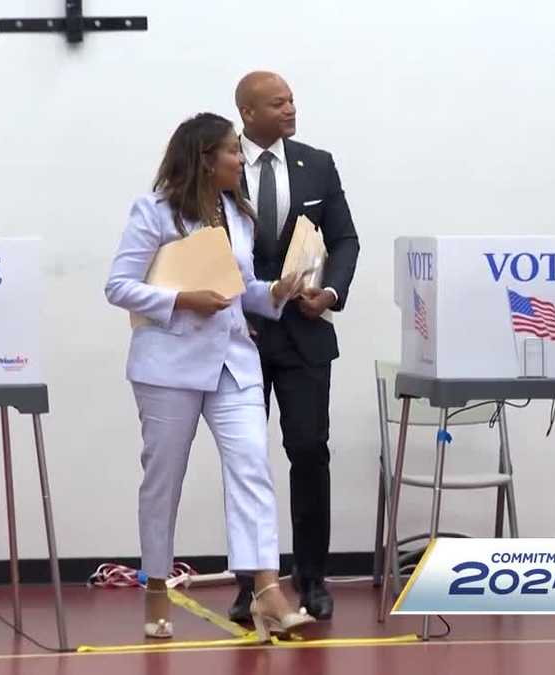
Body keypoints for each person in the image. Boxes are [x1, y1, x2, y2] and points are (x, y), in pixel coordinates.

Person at [104, 112, 312, 642]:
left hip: (233, 362)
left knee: (251, 467)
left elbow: (242, 289)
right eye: (232, 152)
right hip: (167, 365)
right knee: (163, 480)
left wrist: (277, 293)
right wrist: (180, 300)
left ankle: (267, 588)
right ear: (204, 158)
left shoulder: (237, 215)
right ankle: (156, 586)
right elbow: (119, 286)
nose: (242, 160)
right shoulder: (153, 212)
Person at [227, 71, 360, 622]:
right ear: (248, 111)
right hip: (239, 340)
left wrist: (329, 292)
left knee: (308, 452)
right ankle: (252, 584)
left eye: (292, 101)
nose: (290, 110)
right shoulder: (221, 162)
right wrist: (235, 308)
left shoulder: (317, 163)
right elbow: (203, 244)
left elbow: (346, 238)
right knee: (245, 463)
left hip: (304, 337)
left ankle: (311, 576)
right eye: (277, 103)